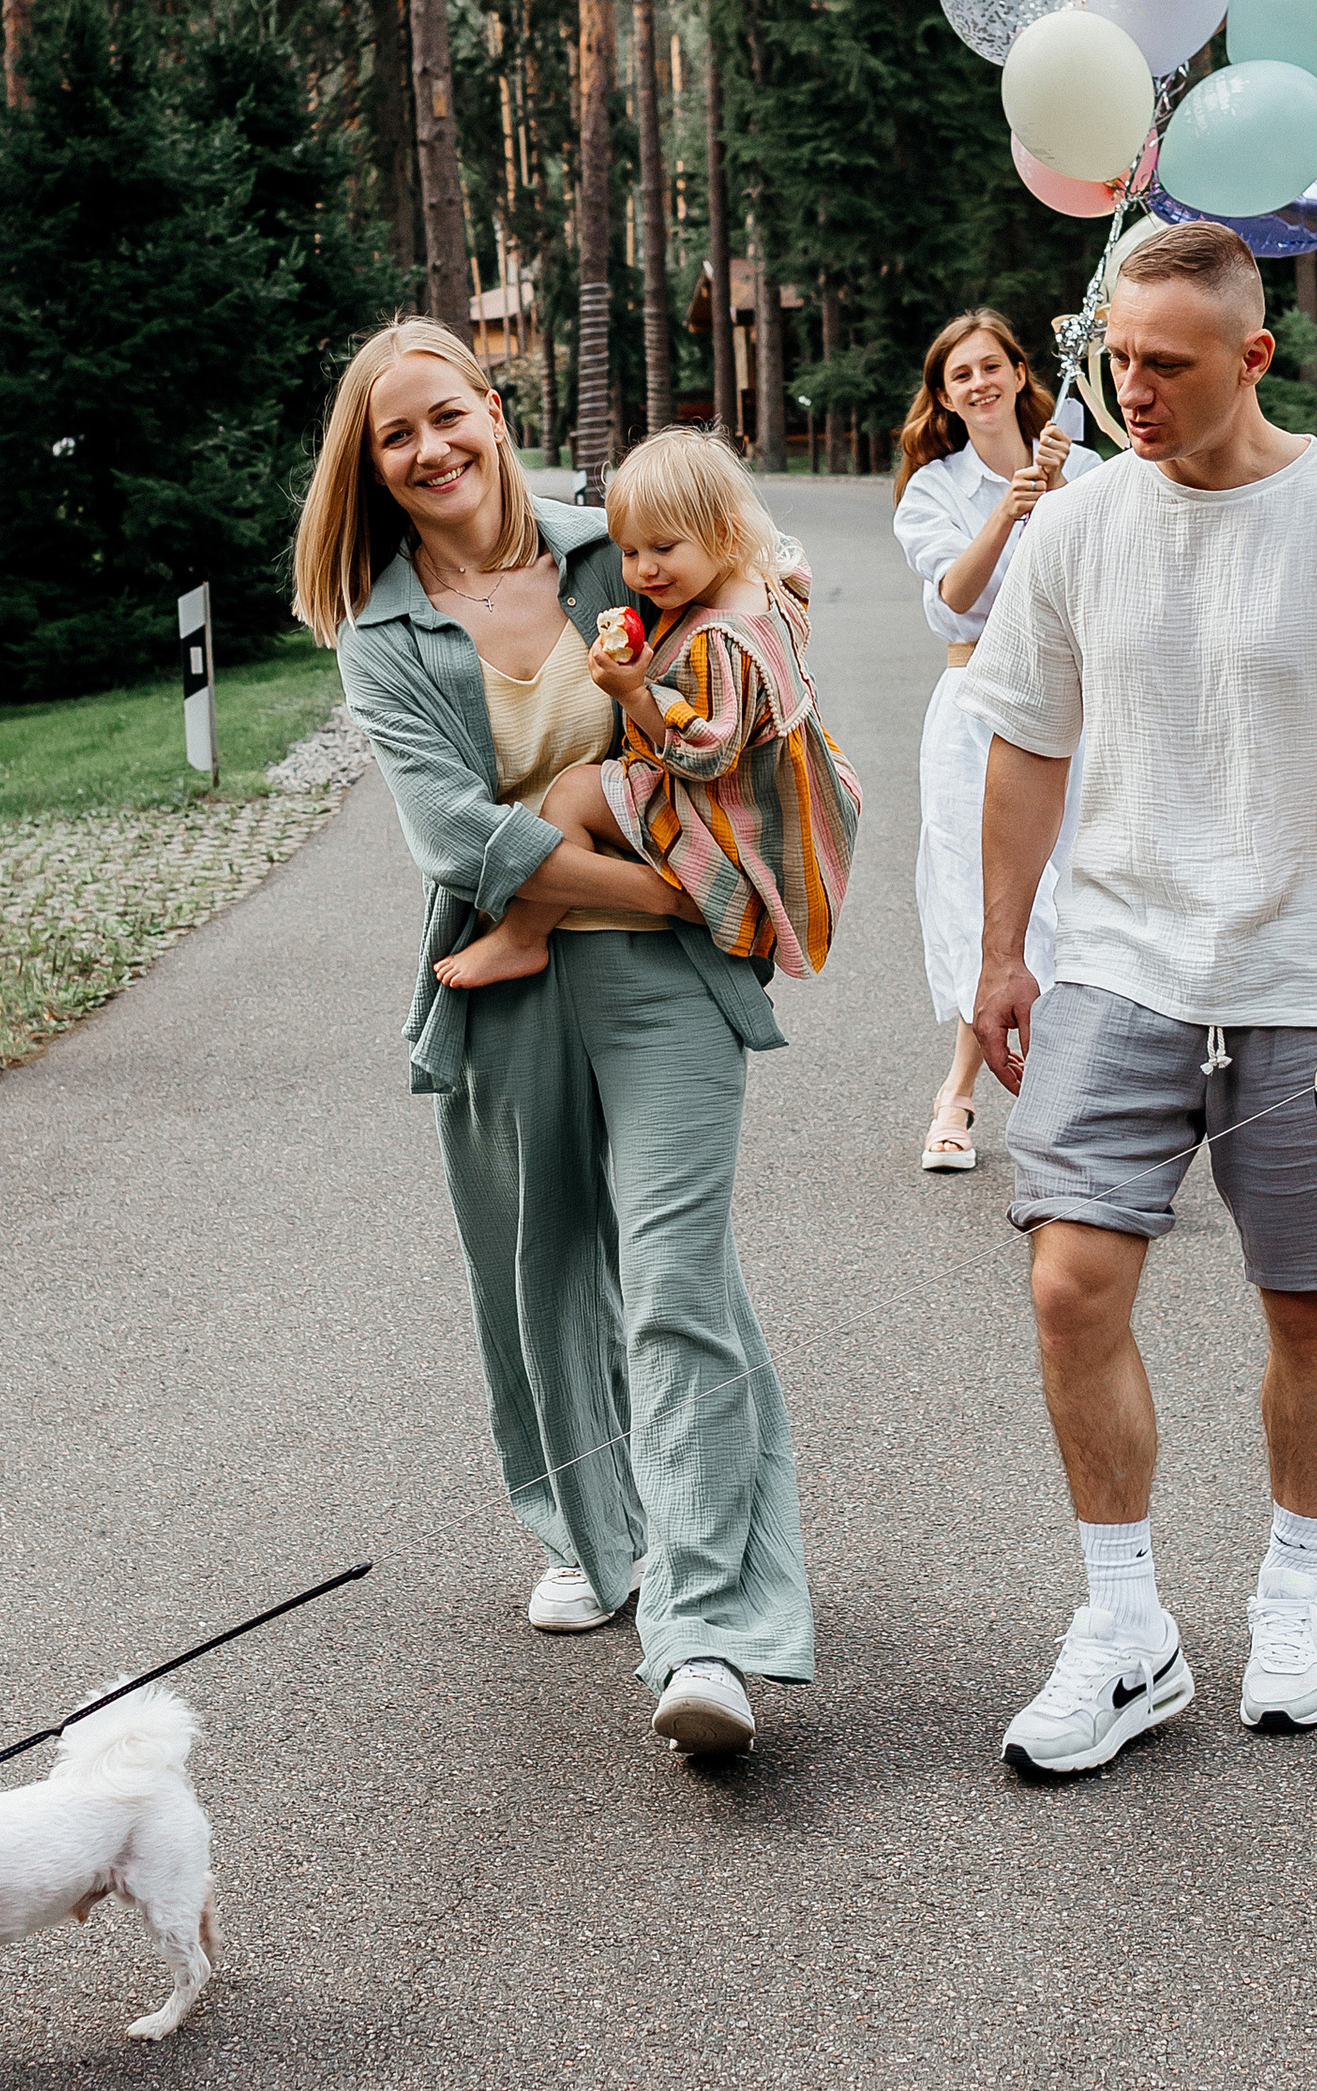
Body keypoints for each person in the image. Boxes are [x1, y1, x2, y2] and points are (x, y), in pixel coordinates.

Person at [964, 218, 1317, 1777]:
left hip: (1304, 982)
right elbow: (1025, 743)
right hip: (1124, 963)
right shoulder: (1076, 530)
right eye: (1114, 359)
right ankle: (1126, 1634)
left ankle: (1293, 1596)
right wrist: (1006, 952)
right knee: (1071, 1279)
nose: (1132, 389)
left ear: (1254, 358)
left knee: (1305, 1302)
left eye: (1167, 365)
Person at [294, 323, 815, 1762]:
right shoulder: (384, 629)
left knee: (672, 1280)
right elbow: (453, 832)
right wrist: (678, 890)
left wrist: (784, 591)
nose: (432, 450)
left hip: (663, 992)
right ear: (374, 467)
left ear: (494, 410)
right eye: (397, 436)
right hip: (506, 979)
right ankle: (594, 1523)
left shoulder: (622, 546)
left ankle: (706, 1627)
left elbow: (755, 638)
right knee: (541, 1285)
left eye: (448, 416)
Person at [432, 427, 861, 993]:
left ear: (725, 534)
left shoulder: (718, 641)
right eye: (630, 552)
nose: (643, 573)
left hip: (731, 812)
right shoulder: (768, 585)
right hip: (776, 792)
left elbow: (709, 756)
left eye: (663, 549)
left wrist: (635, 694)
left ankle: (522, 937)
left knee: (573, 795)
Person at [890, 309, 1104, 1177]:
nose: (978, 384)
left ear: (1021, 373)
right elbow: (951, 601)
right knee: (985, 898)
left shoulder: (1084, 468)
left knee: (1076, 889)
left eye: (990, 367)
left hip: (1072, 704)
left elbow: (1101, 582)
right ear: (944, 397)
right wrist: (1006, 514)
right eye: (958, 376)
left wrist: (1054, 501)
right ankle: (960, 1091)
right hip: (977, 699)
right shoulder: (932, 488)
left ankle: (1066, 1096)